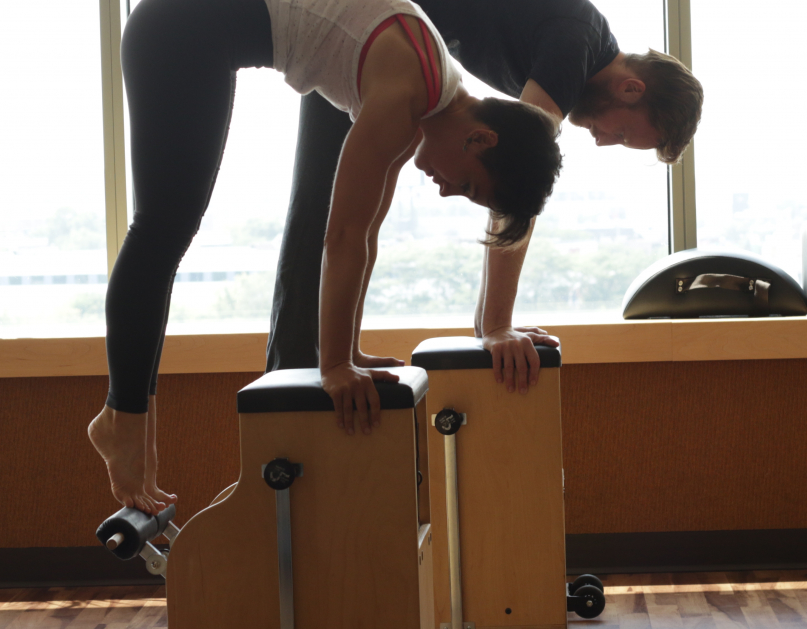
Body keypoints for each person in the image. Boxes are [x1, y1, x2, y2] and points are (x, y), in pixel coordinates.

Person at [88, 0, 563, 514]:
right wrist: (333, 364)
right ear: (480, 138)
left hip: (202, 32)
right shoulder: (409, 87)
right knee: (161, 228)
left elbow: (367, 231)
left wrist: (348, 352)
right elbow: (340, 235)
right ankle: (122, 418)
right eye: (468, 184)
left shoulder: (426, 96)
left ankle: (127, 418)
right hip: (179, 25)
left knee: (169, 227)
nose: (448, 192)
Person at [266, 0, 704, 395]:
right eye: (622, 133)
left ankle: (335, 360)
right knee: (329, 218)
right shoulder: (575, 45)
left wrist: (488, 323)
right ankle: (301, 388)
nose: (604, 142)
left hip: (390, 43)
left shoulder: (580, 40)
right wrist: (496, 326)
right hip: (367, 28)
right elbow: (514, 186)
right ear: (630, 90)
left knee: (358, 216)